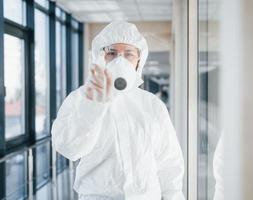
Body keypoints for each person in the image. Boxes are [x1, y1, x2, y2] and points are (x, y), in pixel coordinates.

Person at [51, 21, 185, 200]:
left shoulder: (152, 105)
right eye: (112, 53)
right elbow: (69, 148)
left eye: (128, 54)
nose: (120, 61)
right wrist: (93, 107)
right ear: (100, 57)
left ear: (139, 61)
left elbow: (169, 162)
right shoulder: (80, 98)